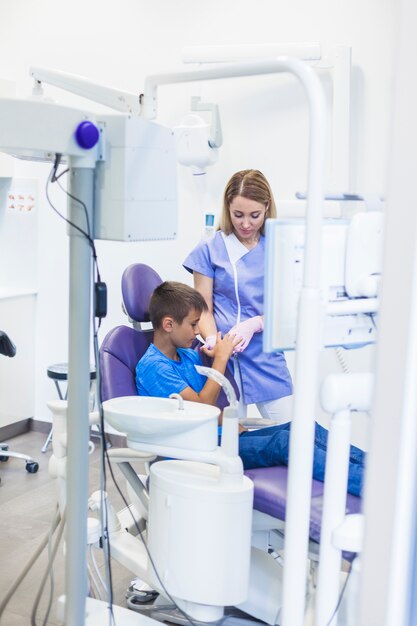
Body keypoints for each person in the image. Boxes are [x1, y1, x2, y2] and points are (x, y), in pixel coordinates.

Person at [135, 281, 365, 497]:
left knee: (303, 428)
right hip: (199, 452)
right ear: (168, 324)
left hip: (220, 439)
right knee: (285, 443)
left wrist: (216, 363)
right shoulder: (153, 366)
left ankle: (374, 471)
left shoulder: (185, 355)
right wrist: (220, 360)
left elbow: (198, 406)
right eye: (193, 324)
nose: (197, 331)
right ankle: (367, 485)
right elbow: (203, 408)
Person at [183, 169, 292, 424]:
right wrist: (212, 339)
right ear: (227, 209)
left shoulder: (279, 247)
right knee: (232, 440)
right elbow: (203, 309)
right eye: (238, 215)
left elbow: (286, 306)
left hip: (266, 355)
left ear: (266, 208)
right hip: (223, 360)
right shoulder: (209, 249)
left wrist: (255, 324)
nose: (245, 224)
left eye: (254, 215)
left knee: (294, 432)